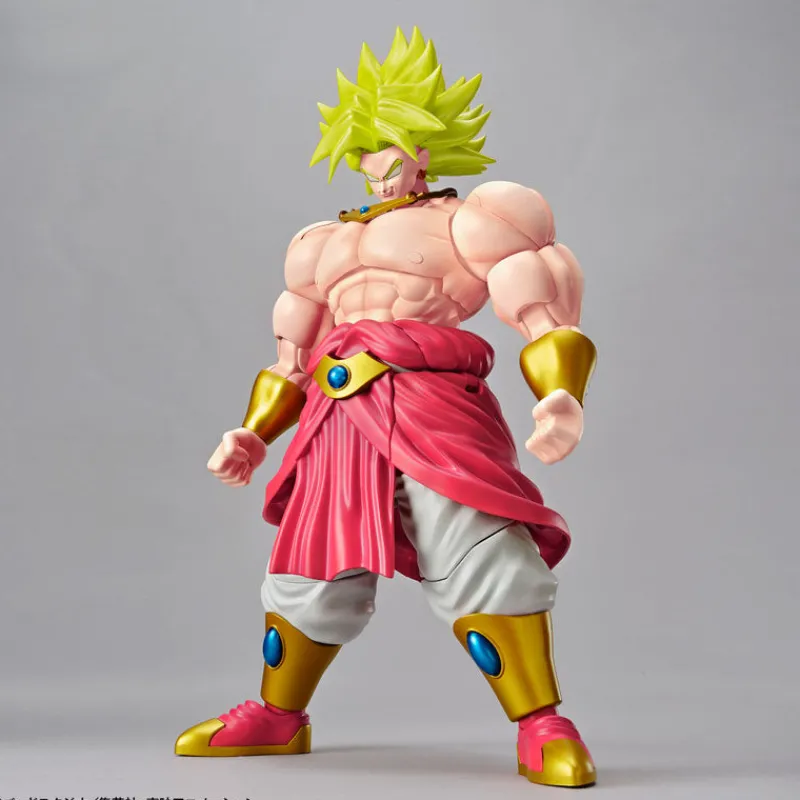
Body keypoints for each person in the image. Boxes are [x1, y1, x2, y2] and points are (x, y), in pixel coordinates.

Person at [175, 26, 598, 788]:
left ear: (426, 147)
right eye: (363, 149)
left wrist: (561, 393)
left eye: (388, 147)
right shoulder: (321, 244)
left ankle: (541, 723)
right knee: (310, 564)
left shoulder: (475, 221)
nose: (374, 166)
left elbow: (542, 313)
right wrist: (254, 432)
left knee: (483, 553)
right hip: (336, 415)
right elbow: (292, 358)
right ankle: (278, 715)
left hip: (433, 403)